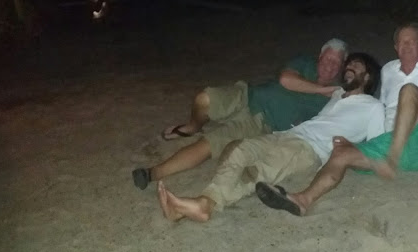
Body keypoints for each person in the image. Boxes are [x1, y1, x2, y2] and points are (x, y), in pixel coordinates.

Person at [256, 22, 418, 217]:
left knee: (409, 91)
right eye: (402, 42)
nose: (406, 46)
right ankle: (302, 200)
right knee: (341, 152)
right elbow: (382, 112)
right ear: (396, 47)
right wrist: (356, 143)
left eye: (412, 41)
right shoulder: (388, 71)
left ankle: (390, 159)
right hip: (393, 143)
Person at [156, 52, 385, 222]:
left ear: (367, 77)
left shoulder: (373, 107)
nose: (349, 67)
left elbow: (377, 148)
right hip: (290, 134)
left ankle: (204, 204)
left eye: (356, 65)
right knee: (239, 150)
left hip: (310, 149)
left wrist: (350, 146)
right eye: (348, 64)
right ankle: (198, 206)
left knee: (257, 171)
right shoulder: (336, 94)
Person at [132, 38, 348, 190]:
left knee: (209, 145)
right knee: (204, 99)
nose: (329, 66)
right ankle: (193, 126)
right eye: (327, 58)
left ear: (341, 67)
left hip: (260, 122)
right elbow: (286, 80)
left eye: (336, 62)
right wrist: (321, 89)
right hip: (248, 94)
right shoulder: (305, 63)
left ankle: (151, 173)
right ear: (320, 56)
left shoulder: (336, 98)